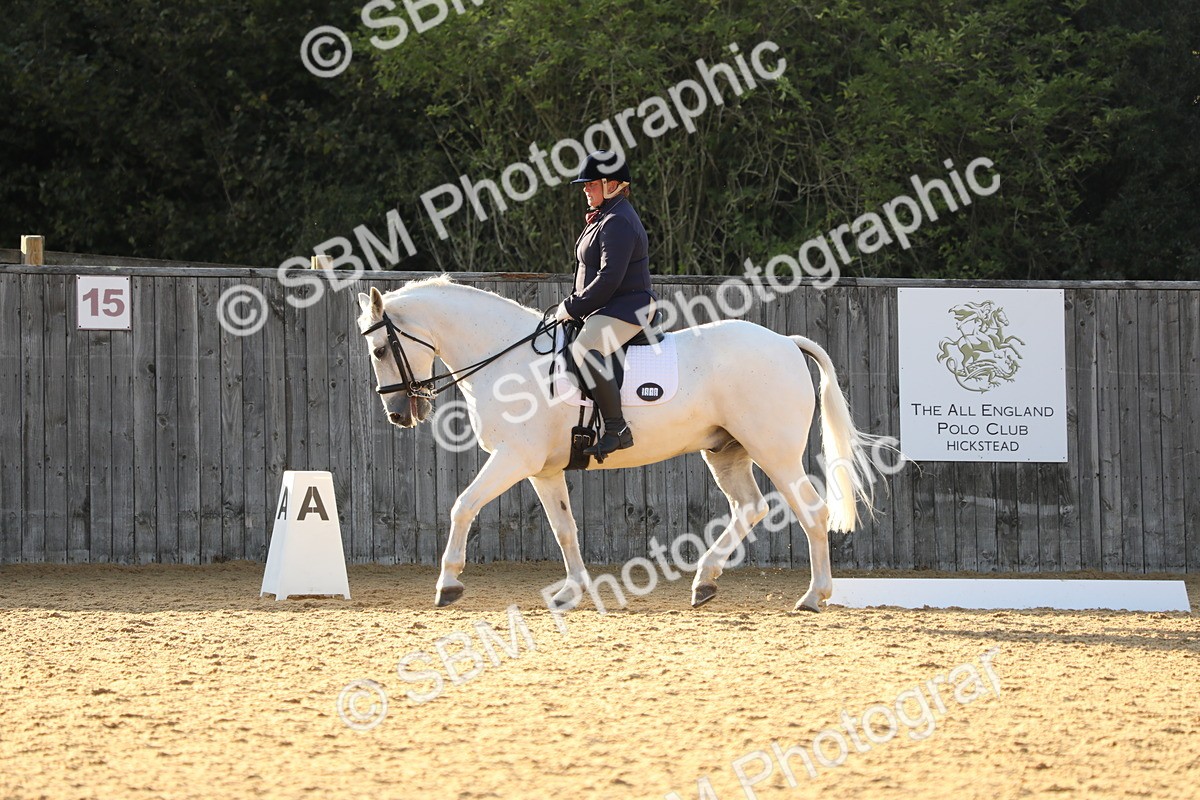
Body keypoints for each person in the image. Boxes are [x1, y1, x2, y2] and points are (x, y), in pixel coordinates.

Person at [555, 151, 658, 458]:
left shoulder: (619, 221)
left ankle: (617, 429)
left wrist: (573, 306)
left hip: (629, 307)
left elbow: (609, 278)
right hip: (608, 307)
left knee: (584, 348)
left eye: (591, 184)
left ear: (613, 184)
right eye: (584, 184)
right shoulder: (605, 216)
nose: (584, 189)